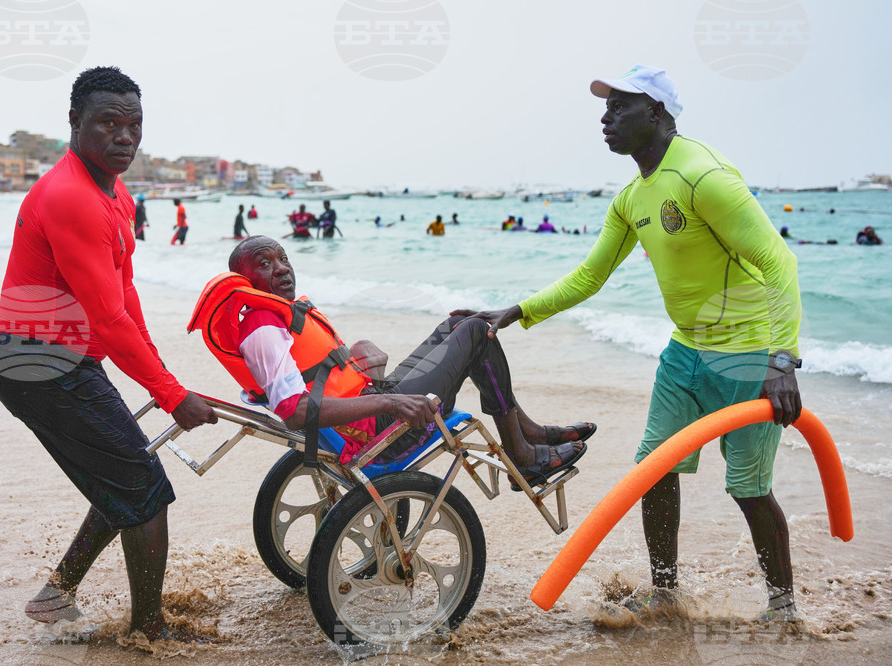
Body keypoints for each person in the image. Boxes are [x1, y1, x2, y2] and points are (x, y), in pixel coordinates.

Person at [464, 65, 804, 622]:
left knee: (747, 487)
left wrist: (783, 361)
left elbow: (778, 261)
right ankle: (666, 595)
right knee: (654, 470)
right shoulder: (630, 197)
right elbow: (588, 277)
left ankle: (784, 610)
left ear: (656, 112)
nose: (605, 118)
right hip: (684, 353)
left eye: (619, 106)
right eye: (605, 107)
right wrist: (518, 311)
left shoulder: (703, 175)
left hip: (748, 352)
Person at [0, 66, 217, 642]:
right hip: (35, 365)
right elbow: (108, 318)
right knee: (146, 491)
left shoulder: (115, 193)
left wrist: (162, 375)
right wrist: (169, 395)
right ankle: (150, 631)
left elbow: (124, 294)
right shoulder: (70, 197)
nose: (124, 137)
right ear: (75, 123)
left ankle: (55, 596)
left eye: (134, 125)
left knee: (122, 481)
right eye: (108, 123)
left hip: (65, 361)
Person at [213, 236, 596, 484]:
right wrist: (391, 400)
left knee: (463, 323)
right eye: (265, 264)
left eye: (282, 257)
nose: (281, 268)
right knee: (480, 332)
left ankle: (525, 433)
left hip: (369, 407)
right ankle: (522, 454)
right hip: (379, 432)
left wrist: (360, 369)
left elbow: (315, 376)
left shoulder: (277, 315)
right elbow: (294, 411)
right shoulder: (263, 328)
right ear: (244, 281)